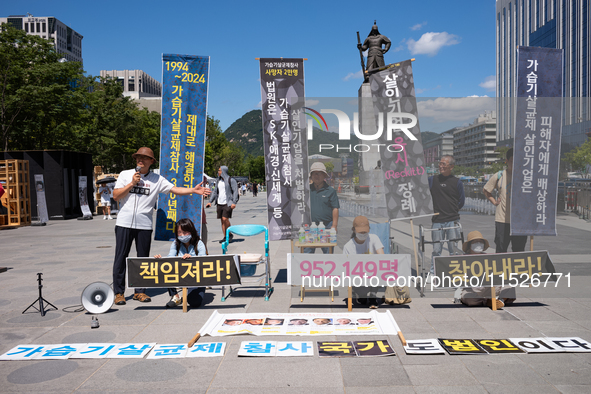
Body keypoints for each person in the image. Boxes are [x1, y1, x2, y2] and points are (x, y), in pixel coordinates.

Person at [111, 147, 210, 306]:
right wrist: (132, 183)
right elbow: (116, 195)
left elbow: (174, 189)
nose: (140, 160)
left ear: (151, 161)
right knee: (120, 256)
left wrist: (193, 190)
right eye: (138, 158)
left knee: (143, 259)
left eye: (144, 158)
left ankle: (140, 291)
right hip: (124, 222)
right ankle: (119, 293)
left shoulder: (157, 179)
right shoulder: (125, 174)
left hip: (144, 224)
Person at [343, 216, 411, 309]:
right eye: (360, 232)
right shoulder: (348, 246)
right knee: (362, 299)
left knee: (380, 269)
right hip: (358, 276)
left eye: (365, 232)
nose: (363, 234)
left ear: (369, 230)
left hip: (372, 273)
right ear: (354, 230)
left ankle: (373, 296)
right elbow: (346, 268)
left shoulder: (373, 238)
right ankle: (359, 294)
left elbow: (381, 257)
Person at [154, 218, 207, 308]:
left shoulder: (199, 243)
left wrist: (191, 259)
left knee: (194, 302)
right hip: (181, 273)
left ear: (191, 231)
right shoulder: (175, 243)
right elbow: (170, 258)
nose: (182, 235)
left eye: (185, 232)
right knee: (166, 270)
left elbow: (203, 259)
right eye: (179, 232)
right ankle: (175, 296)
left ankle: (197, 290)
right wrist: (161, 259)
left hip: (196, 276)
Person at [483, 148, 527, 253]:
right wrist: (494, 201)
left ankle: (516, 270)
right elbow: (486, 190)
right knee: (501, 249)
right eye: (512, 161)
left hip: (520, 221)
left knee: (519, 250)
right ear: (506, 161)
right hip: (502, 220)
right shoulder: (500, 175)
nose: (514, 164)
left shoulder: (525, 176)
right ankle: (501, 269)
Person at [459, 231, 516, 309]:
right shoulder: (462, 259)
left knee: (510, 287)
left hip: (490, 286)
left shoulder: (489, 257)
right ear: (469, 245)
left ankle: (500, 300)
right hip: (473, 290)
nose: (478, 244)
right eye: (475, 242)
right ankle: (488, 302)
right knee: (468, 298)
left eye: (480, 242)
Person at [428, 155, 465, 275]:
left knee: (453, 249)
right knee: (436, 249)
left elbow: (462, 200)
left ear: (451, 167)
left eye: (444, 164)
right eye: (440, 163)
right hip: (437, 220)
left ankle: (454, 274)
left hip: (452, 220)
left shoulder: (457, 182)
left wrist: (453, 210)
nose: (441, 166)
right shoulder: (432, 180)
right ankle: (433, 273)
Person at [306, 162, 339, 254]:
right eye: (314, 173)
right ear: (311, 175)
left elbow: (335, 208)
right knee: (307, 254)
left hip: (327, 226)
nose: (317, 175)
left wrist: (334, 226)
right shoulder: (306, 190)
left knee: (328, 254)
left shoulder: (330, 191)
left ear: (324, 175)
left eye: (320, 173)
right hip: (309, 226)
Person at [206, 166, 239, 244]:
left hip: (228, 203)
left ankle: (229, 233)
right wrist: (210, 201)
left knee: (225, 219)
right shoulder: (218, 181)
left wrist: (234, 202)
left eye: (219, 170)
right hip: (219, 203)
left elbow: (235, 192)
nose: (218, 172)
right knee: (222, 220)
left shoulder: (231, 180)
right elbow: (215, 192)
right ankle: (226, 236)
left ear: (223, 171)